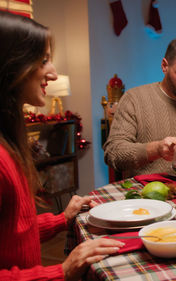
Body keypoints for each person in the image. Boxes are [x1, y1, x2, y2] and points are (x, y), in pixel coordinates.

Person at [0, 11, 124, 280]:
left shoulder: (9, 142)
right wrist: (63, 270)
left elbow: (14, 231)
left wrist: (61, 219)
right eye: (43, 60)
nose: (54, 73)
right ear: (11, 65)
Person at [103, 38, 176, 178]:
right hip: (146, 194)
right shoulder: (134, 99)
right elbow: (113, 154)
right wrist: (156, 150)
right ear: (164, 66)